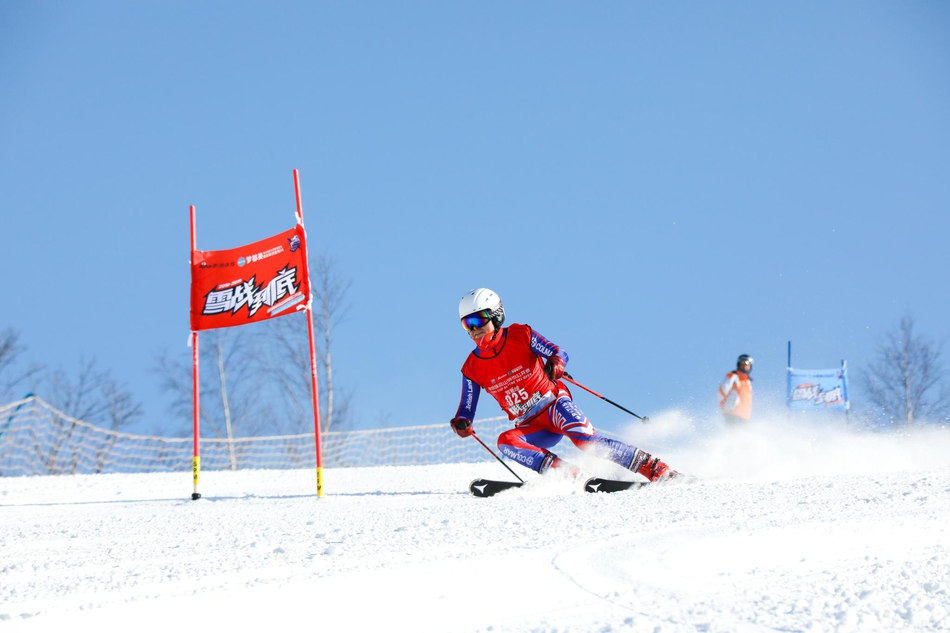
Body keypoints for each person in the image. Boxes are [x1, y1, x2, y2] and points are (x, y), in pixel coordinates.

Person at [449, 288, 677, 482]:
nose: (473, 328)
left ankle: (657, 469)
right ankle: (569, 475)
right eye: (466, 324)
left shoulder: (520, 335)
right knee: (506, 442)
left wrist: (556, 363)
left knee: (587, 443)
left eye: (478, 319)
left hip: (555, 405)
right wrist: (462, 423)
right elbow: (466, 409)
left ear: (496, 315)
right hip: (531, 425)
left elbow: (558, 352)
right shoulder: (471, 367)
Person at [719, 354, 754, 423]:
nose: (744, 368)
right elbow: (722, 392)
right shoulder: (733, 377)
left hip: (744, 417)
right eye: (742, 365)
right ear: (738, 365)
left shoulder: (747, 382)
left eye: (747, 366)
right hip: (732, 414)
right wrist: (725, 409)